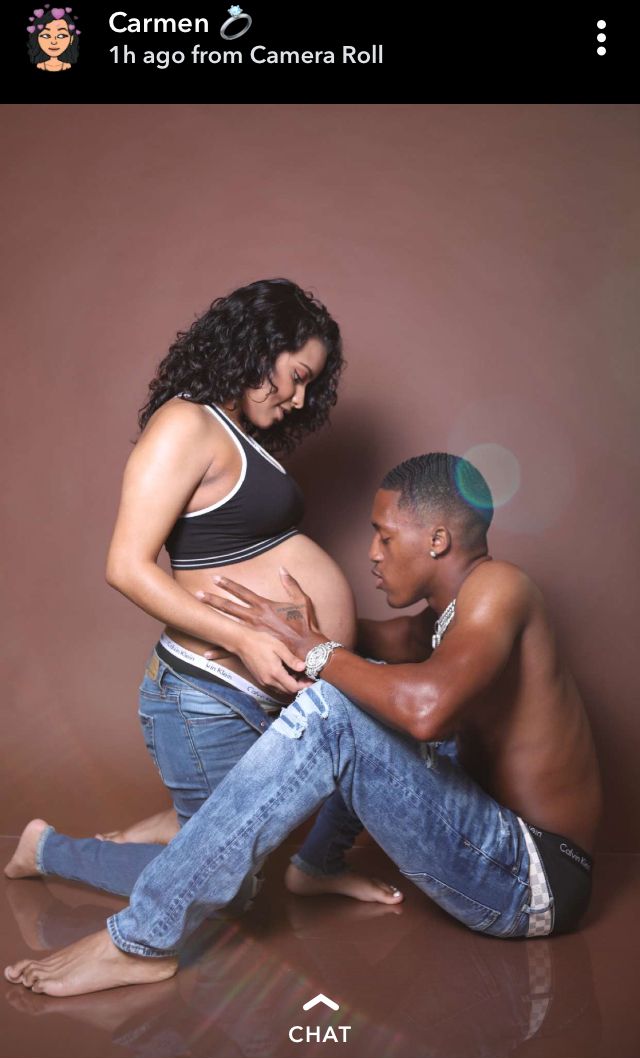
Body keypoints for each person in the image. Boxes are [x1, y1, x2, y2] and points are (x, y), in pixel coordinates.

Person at [4, 452, 604, 997]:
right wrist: (289, 623)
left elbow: (426, 711)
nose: (372, 552)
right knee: (359, 684)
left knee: (338, 706)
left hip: (534, 880)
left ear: (439, 539)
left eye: (385, 536)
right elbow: (370, 653)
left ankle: (142, 938)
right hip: (498, 851)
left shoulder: (501, 587)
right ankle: (316, 864)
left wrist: (318, 652)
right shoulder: (447, 617)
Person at [4, 277, 402, 913]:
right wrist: (245, 637)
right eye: (296, 376)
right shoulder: (186, 424)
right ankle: (47, 849)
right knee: (228, 887)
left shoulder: (237, 437)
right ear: (258, 348)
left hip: (259, 694)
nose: (301, 399)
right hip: (206, 696)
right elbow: (126, 565)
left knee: (368, 731)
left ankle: (237, 841)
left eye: (310, 386)